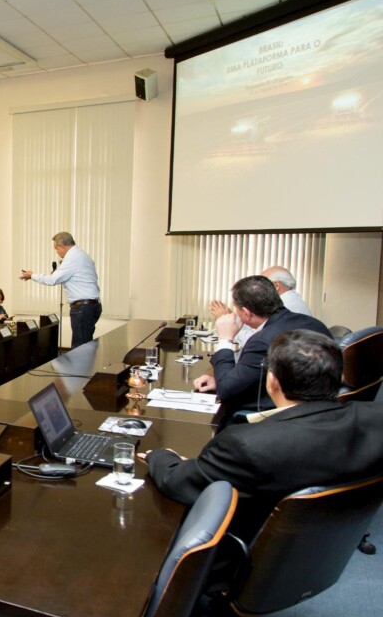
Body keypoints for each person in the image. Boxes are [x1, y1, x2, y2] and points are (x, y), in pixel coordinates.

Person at [142, 330, 383, 544]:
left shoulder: (247, 445)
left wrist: (162, 456)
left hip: (250, 556)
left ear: (272, 381)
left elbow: (179, 482)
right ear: (339, 378)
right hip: (329, 546)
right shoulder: (376, 420)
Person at [193, 275, 331, 425]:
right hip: (321, 410)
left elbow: (226, 391)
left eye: (236, 308)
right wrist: (220, 379)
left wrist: (225, 340)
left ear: (246, 313)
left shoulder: (262, 340)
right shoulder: (314, 323)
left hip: (279, 415)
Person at [20, 232, 101, 348]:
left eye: (56, 248)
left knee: (80, 349)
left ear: (63, 246)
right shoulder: (81, 255)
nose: (56, 252)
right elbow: (78, 278)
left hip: (83, 309)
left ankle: (80, 367)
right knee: (84, 346)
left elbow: (52, 280)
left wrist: (32, 275)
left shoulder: (72, 258)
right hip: (91, 306)